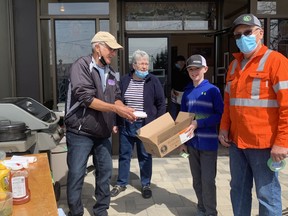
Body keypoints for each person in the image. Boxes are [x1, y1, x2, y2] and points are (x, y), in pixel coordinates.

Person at [218, 13, 288, 216]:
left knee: (267, 195)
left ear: (260, 33)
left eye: (247, 32)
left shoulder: (277, 62)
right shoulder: (234, 66)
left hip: (264, 145)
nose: (242, 38)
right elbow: (228, 103)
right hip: (237, 143)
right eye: (238, 35)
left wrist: (282, 142)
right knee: (238, 191)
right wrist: (224, 128)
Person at [64, 31, 137, 216]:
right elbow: (86, 98)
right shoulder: (81, 65)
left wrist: (124, 110)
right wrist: (115, 109)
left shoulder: (112, 72)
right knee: (77, 174)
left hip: (103, 132)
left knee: (104, 173)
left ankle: (101, 210)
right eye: (110, 49)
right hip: (80, 132)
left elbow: (117, 97)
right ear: (98, 47)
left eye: (114, 50)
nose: (113, 53)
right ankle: (76, 212)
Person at [110, 49, 166, 199]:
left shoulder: (153, 80)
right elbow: (118, 102)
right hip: (126, 125)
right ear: (134, 65)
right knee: (124, 155)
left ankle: (146, 184)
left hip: (145, 125)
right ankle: (121, 183)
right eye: (141, 63)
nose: (144, 66)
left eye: (146, 64)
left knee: (145, 155)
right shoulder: (124, 80)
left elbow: (161, 103)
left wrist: (159, 124)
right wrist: (115, 121)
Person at [178, 54, 223, 216]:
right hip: (191, 143)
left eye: (197, 68)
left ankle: (211, 212)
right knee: (197, 180)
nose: (194, 72)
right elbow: (183, 118)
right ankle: (201, 208)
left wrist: (199, 123)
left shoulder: (213, 90)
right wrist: (181, 141)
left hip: (208, 144)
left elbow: (220, 115)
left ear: (205, 69)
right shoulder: (187, 92)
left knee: (208, 181)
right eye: (190, 69)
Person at [170, 55, 190, 120]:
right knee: (174, 111)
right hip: (175, 93)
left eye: (183, 61)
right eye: (180, 61)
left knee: (184, 111)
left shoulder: (187, 71)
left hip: (185, 93)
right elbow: (170, 82)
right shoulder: (172, 71)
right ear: (176, 62)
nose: (181, 63)